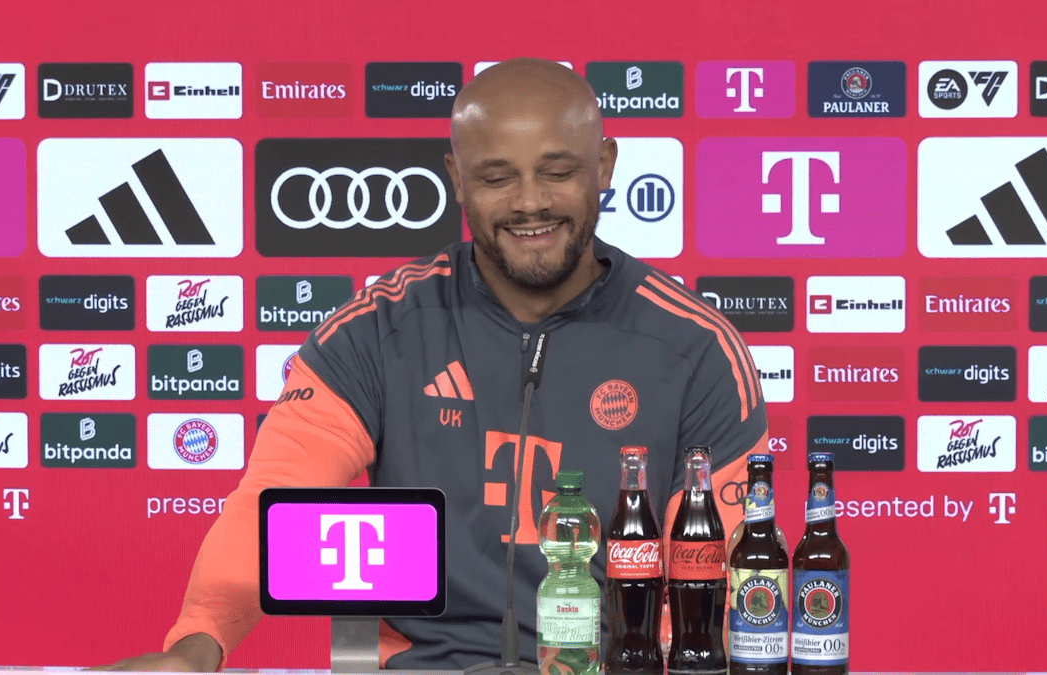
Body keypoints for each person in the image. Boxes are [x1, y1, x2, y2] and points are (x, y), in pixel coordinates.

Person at [94, 57, 768, 672]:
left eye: (558, 171)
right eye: (497, 177)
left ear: (604, 166)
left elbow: (710, 585)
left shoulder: (696, 349)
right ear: (457, 179)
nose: (529, 201)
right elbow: (269, 508)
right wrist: (194, 647)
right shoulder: (377, 332)